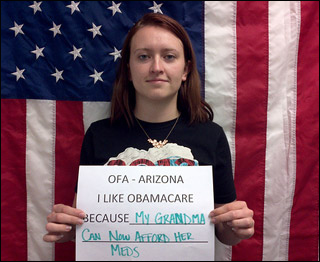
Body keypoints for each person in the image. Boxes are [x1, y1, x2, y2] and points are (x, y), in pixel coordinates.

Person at [43, 13, 254, 247]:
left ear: (185, 70)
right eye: (143, 56)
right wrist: (66, 229)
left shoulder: (211, 135)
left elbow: (224, 232)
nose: (156, 67)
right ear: (129, 70)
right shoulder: (99, 134)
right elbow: (83, 221)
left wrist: (237, 227)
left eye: (169, 56)